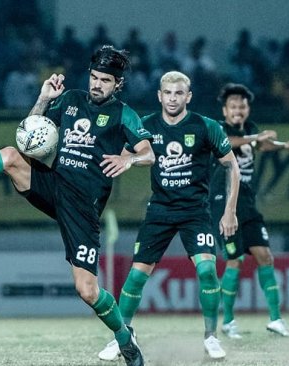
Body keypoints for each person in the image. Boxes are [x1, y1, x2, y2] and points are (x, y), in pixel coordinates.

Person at [0, 45, 153, 366]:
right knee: (12, 156)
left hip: (82, 207)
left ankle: (126, 339)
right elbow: (29, 133)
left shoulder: (124, 114)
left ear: (118, 84)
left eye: (105, 80)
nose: (97, 84)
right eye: (94, 77)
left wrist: (129, 158)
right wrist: (43, 98)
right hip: (53, 183)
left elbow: (149, 153)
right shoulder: (70, 101)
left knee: (87, 291)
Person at [97, 71, 241, 361]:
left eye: (179, 93)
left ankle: (210, 336)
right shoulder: (146, 125)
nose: (173, 98)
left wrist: (229, 211)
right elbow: (126, 156)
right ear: (159, 95)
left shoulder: (205, 126)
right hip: (160, 210)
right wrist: (127, 160)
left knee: (207, 270)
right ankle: (123, 335)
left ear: (188, 96)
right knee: (136, 277)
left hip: (195, 211)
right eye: (168, 93)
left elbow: (232, 168)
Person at [211, 83, 289, 339]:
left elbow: (263, 146)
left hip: (248, 205)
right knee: (235, 260)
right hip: (224, 204)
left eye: (242, 106)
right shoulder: (219, 129)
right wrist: (256, 137)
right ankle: (228, 321)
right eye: (233, 106)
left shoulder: (250, 131)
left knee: (265, 256)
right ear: (225, 110)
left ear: (247, 108)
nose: (238, 110)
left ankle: (276, 319)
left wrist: (285, 145)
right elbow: (229, 143)